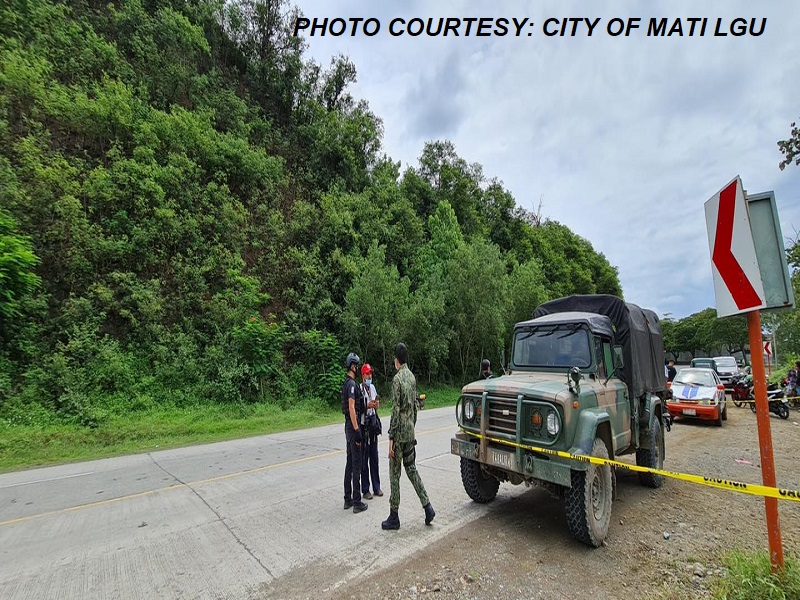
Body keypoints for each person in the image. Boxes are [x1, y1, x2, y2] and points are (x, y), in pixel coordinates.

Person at [382, 342, 435, 530]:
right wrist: (411, 427)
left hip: (398, 435)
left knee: (394, 474)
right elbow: (414, 407)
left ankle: (394, 516)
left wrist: (391, 436)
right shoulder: (412, 377)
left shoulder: (397, 380)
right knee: (411, 469)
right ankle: (427, 506)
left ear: (396, 360)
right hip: (410, 432)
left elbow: (396, 410)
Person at [341, 353, 368, 514]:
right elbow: (352, 407)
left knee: (350, 463)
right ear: (352, 366)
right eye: (356, 365)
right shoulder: (351, 385)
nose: (357, 368)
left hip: (348, 427)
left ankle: (347, 499)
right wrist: (357, 430)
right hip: (353, 426)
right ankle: (357, 501)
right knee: (356, 464)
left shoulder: (346, 383)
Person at [360, 363, 383, 499]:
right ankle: (365, 489)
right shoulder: (359, 389)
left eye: (371, 374)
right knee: (364, 458)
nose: (369, 376)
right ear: (363, 375)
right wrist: (366, 405)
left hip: (373, 423)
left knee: (374, 457)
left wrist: (375, 405)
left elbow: (375, 406)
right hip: (364, 425)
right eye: (367, 374)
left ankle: (376, 487)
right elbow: (358, 406)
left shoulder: (372, 388)